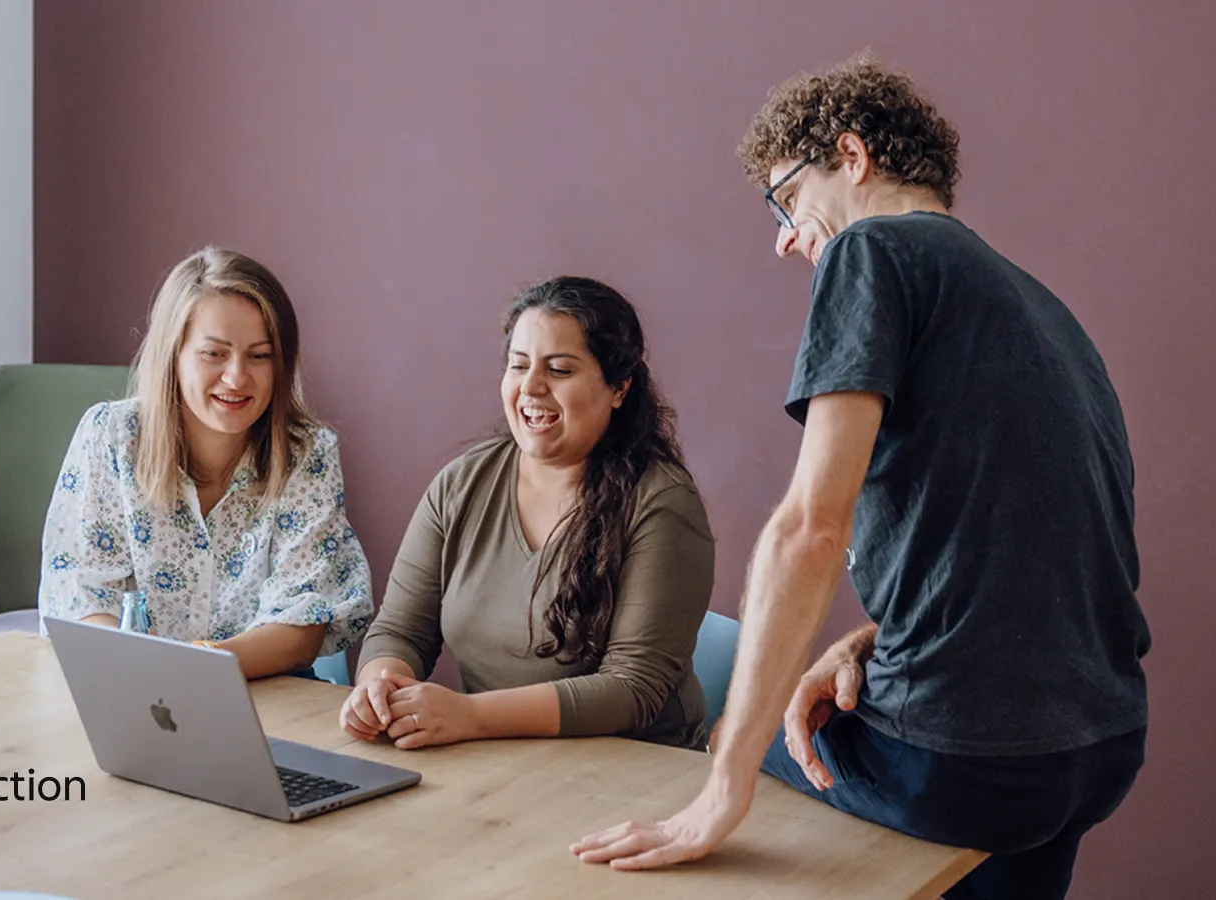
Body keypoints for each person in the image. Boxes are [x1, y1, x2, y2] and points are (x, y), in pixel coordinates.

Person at [571, 54, 1151, 900]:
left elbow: (810, 526)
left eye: (786, 200)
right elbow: (1038, 544)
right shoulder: (1041, 309)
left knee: (739, 739)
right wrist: (864, 643)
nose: (785, 236)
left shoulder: (872, 249)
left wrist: (719, 793)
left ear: (852, 156)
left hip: (963, 760)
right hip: (1096, 752)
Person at [338, 276, 716, 750]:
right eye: (518, 366)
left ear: (620, 386)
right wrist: (381, 683)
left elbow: (632, 687)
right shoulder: (462, 483)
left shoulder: (662, 501)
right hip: (497, 759)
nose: (531, 387)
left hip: (635, 773)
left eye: (559, 370)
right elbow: (400, 630)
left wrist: (470, 715)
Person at [38, 246, 374, 679]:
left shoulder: (307, 454)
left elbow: (302, 621)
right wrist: (143, 675)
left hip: (265, 693)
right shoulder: (110, 436)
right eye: (214, 353)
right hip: (129, 689)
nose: (236, 377)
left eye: (259, 355)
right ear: (172, 355)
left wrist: (192, 672)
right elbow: (83, 597)